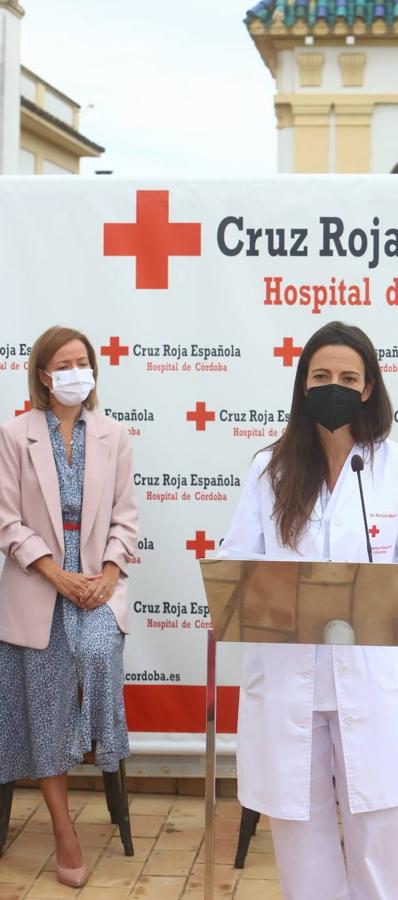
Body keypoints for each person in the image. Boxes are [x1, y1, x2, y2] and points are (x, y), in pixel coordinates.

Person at [218, 321, 398, 900]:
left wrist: (367, 592)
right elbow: (237, 561)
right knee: (299, 830)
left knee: (381, 829)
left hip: (370, 678)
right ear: (303, 384)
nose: (333, 386)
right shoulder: (271, 466)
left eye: (347, 377)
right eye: (321, 376)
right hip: (292, 678)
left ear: (368, 388)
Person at [0, 326, 138, 888]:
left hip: (96, 588)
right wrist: (54, 574)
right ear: (42, 375)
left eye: (84, 361)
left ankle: (97, 748)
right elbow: (6, 520)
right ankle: (63, 827)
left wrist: (106, 575)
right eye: (65, 362)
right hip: (38, 584)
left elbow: (126, 518)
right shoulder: (15, 435)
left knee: (98, 655)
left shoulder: (114, 435)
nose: (77, 370)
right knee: (46, 684)